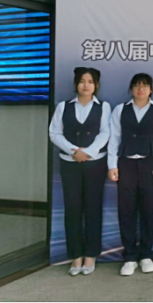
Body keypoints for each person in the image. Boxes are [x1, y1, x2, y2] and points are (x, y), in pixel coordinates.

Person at [49, 67, 111, 276]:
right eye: (82, 81)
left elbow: (105, 133)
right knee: (73, 209)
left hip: (95, 163)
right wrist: (74, 151)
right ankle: (75, 256)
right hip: (69, 163)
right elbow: (54, 133)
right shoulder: (63, 106)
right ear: (76, 84)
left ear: (96, 85)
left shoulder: (103, 107)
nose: (86, 85)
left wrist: (89, 152)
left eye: (90, 82)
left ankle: (91, 255)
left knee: (93, 209)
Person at [107, 73, 153, 276]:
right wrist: (112, 165)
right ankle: (130, 256)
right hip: (125, 163)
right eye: (136, 85)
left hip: (151, 164)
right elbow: (114, 138)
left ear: (151, 89)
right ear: (131, 89)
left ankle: (146, 255)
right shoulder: (120, 110)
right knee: (126, 211)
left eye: (145, 85)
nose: (140, 89)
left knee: (148, 210)